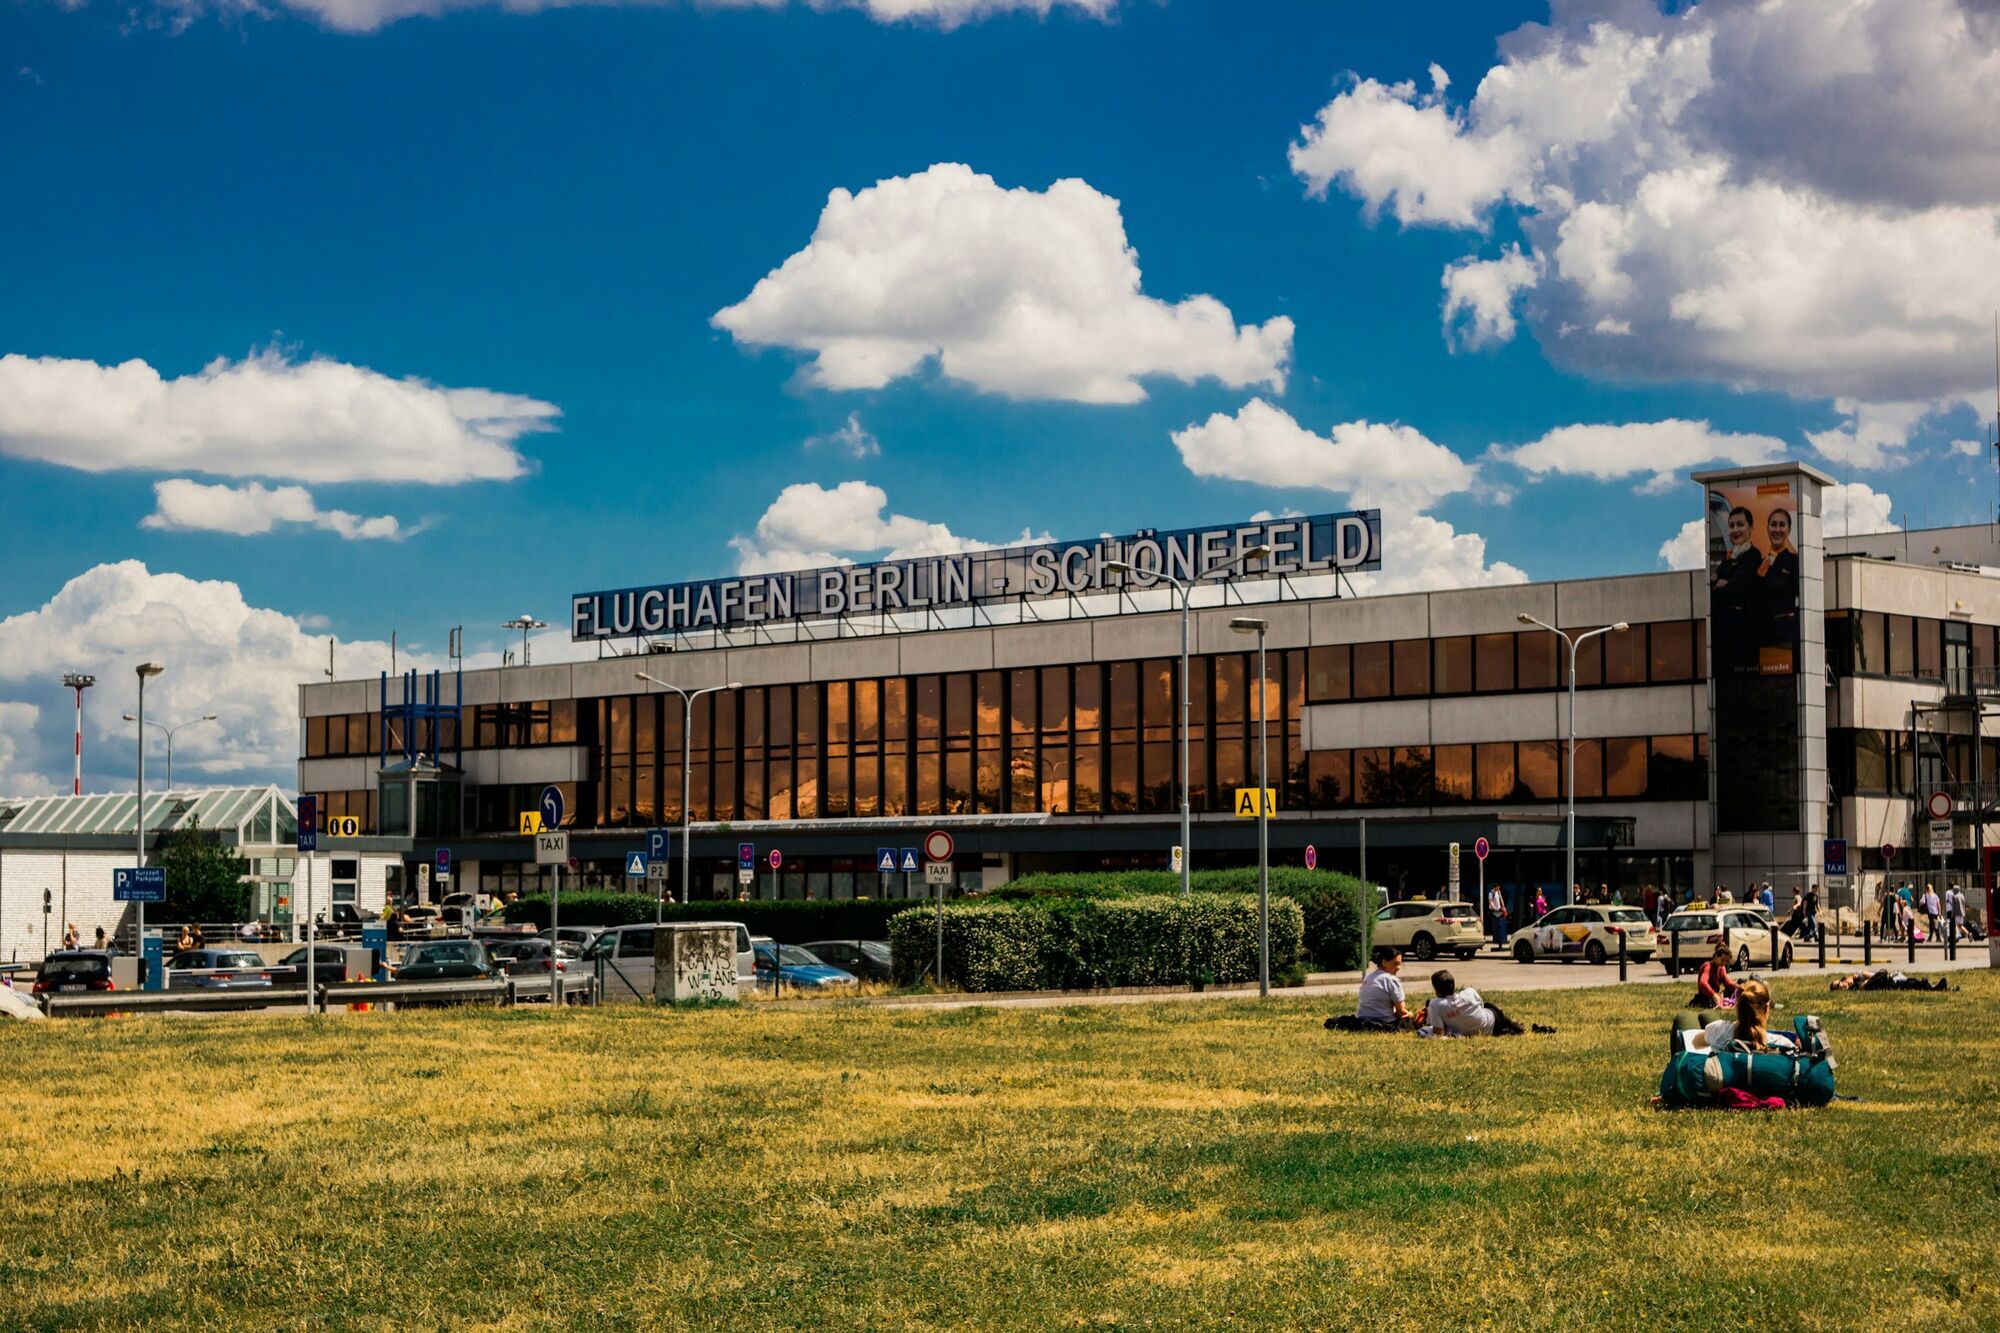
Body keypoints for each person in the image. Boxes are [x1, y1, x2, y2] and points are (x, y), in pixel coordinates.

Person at [1711, 504, 1764, 673]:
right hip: (1723, 633)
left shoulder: (1753, 555)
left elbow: (1734, 591)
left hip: (1741, 632)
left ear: (1750, 527)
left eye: (1740, 524)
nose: (1736, 530)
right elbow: (1712, 586)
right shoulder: (1730, 557)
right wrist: (1720, 583)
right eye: (1732, 525)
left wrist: (1722, 584)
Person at [1417, 969, 1525, 1038]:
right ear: (1454, 986)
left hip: (1475, 1032)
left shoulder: (1435, 1004)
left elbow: (1438, 1033)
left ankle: (1512, 1027)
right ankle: (1514, 1026)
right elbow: (1481, 1006)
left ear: (1436, 990)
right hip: (1491, 1023)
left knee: (1489, 1009)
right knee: (1490, 1007)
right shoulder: (1469, 992)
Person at [1756, 507, 1800, 666]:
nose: (1777, 529)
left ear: (1789, 529)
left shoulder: (1794, 561)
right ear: (1767, 528)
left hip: (1784, 638)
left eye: (1782, 525)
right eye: (1773, 525)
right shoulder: (1760, 562)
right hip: (1761, 637)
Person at [1700, 978, 1782, 1052]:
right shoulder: (1780, 1044)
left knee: (1704, 1015)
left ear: (1739, 1006)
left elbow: (1693, 1040)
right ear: (1767, 1008)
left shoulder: (1719, 1030)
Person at [1355, 946, 1411, 1028]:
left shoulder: (1368, 978)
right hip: (1385, 1022)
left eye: (1400, 964)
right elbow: (1401, 1012)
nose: (1398, 968)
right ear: (1384, 962)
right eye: (1396, 964)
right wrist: (1410, 1014)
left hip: (1362, 1020)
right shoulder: (1392, 980)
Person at [1691, 945, 1739, 1010]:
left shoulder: (1721, 968)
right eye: (1722, 960)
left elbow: (1728, 983)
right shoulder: (1708, 966)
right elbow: (1702, 983)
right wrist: (1713, 994)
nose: (1724, 963)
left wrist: (1740, 987)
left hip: (1716, 994)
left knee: (1738, 986)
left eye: (1726, 961)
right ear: (1716, 956)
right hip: (1706, 996)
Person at [1829, 969, 1949, 992]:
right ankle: (1934, 988)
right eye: (1837, 988)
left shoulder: (1857, 978)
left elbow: (1873, 975)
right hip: (1889, 983)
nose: (1840, 987)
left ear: (1843, 980)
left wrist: (1861, 976)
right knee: (1910, 984)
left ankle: (1934, 987)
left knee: (1910, 982)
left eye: (1839, 984)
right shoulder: (1853, 988)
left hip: (1889, 980)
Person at [1487, 883, 1508, 949]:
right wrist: (1496, 909)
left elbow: (1501, 899)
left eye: (1499, 888)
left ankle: (1501, 943)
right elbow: (1490, 902)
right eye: (1497, 888)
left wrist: (1503, 907)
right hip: (1494, 911)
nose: (1498, 889)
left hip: (1499, 910)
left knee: (1501, 925)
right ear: (1495, 887)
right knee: (1497, 926)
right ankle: (1498, 942)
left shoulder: (1498, 892)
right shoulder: (1491, 893)